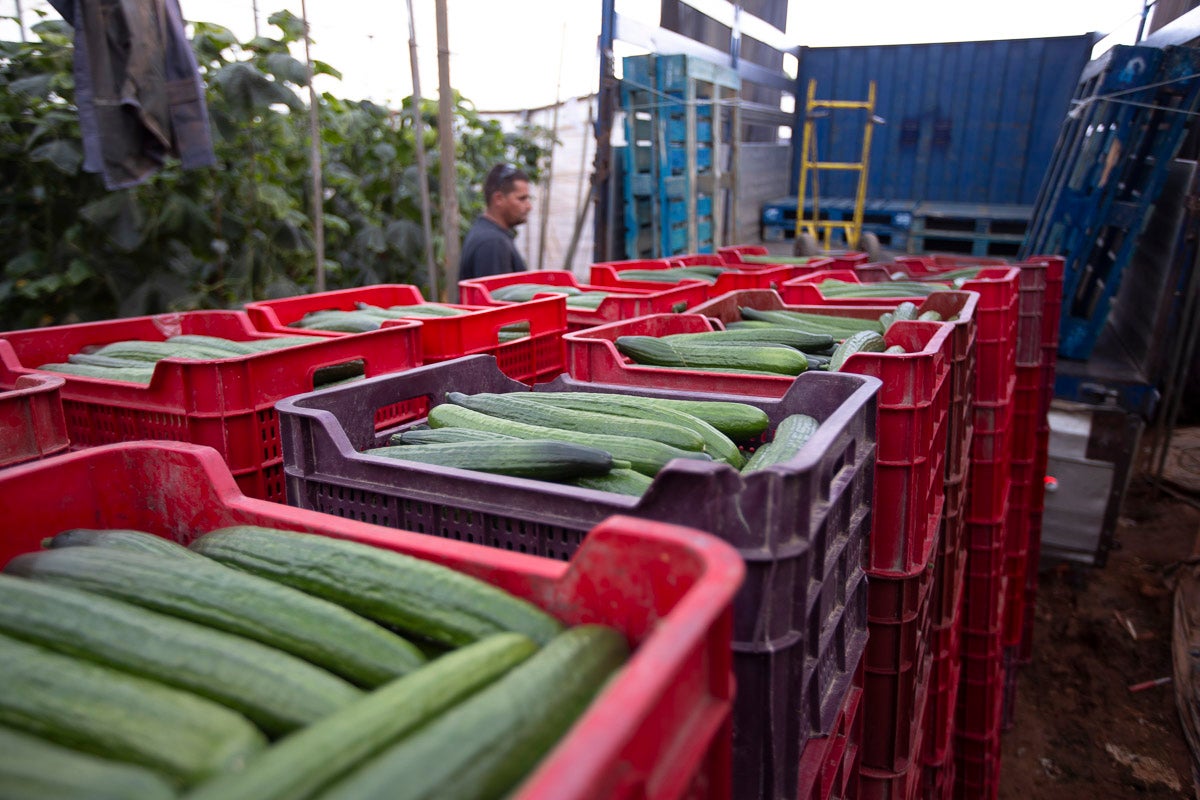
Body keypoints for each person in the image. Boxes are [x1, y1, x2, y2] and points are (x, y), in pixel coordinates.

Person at [458, 163, 533, 281]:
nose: (529, 206)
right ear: (498, 198)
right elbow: (497, 297)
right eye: (521, 199)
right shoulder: (493, 242)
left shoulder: (485, 232)